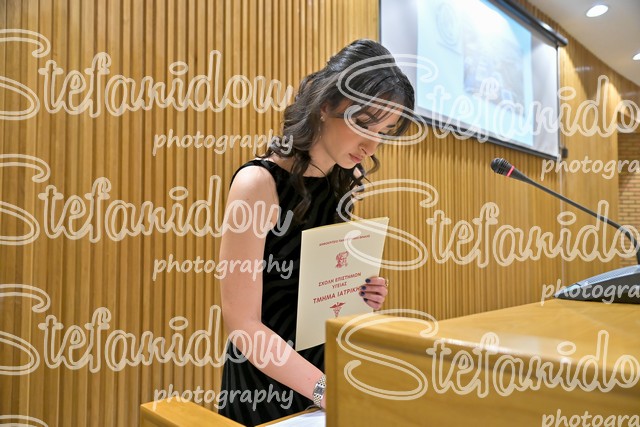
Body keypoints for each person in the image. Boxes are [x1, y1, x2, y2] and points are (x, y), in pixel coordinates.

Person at [218, 39, 415, 426]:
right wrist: (324, 389)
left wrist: (359, 294)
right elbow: (242, 324)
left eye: (385, 131)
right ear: (325, 105)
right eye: (364, 123)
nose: (371, 144)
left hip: (325, 374)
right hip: (266, 385)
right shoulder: (257, 184)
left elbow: (316, 295)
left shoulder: (342, 182)